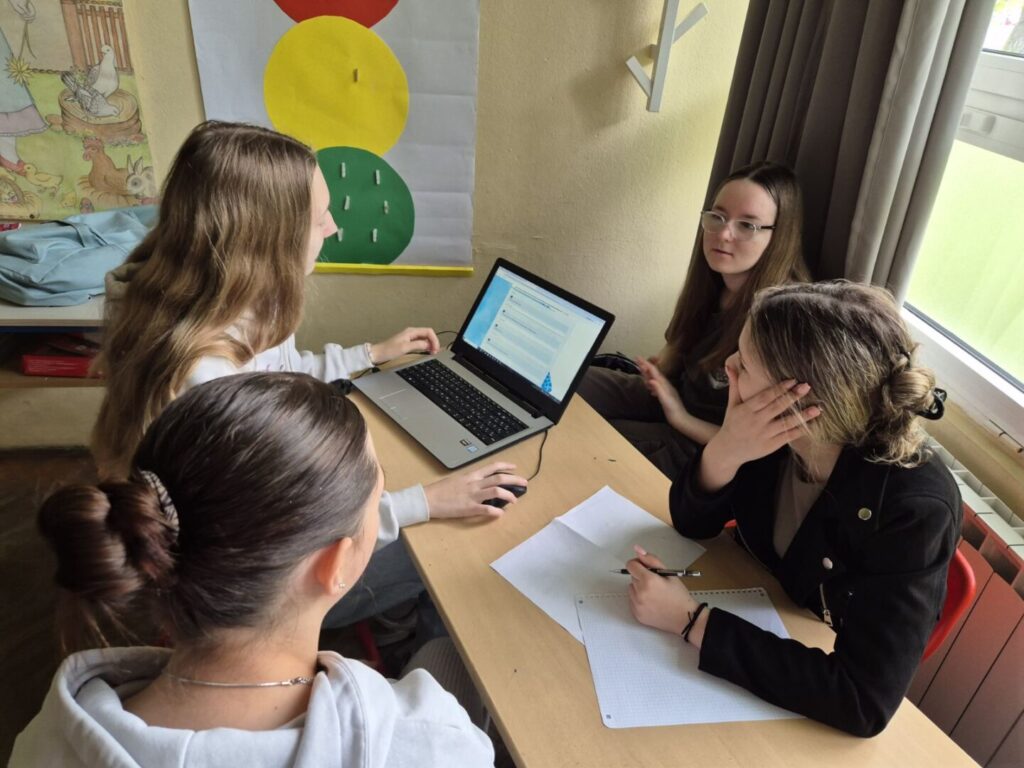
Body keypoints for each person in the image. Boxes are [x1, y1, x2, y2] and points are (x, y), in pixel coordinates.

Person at [90, 120, 526, 629]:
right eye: (319, 219)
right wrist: (424, 503)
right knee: (447, 549)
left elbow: (283, 376)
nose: (333, 229)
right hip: (257, 594)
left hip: (252, 537)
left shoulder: (225, 299)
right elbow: (291, 534)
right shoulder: (207, 387)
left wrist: (368, 353)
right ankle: (399, 633)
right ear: (266, 238)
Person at [11, 373, 494, 767]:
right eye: (378, 497)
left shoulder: (43, 738)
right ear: (334, 563)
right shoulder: (434, 742)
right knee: (442, 653)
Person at [626, 281, 961, 737]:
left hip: (797, 669)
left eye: (745, 364)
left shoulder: (915, 508)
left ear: (802, 401)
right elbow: (690, 523)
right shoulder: (771, 433)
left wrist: (690, 620)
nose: (728, 366)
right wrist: (726, 450)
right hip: (759, 609)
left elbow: (863, 700)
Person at [578, 161, 809, 479]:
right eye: (718, 217)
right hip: (673, 399)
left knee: (584, 440)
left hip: (705, 445)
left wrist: (680, 417)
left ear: (779, 236)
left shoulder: (783, 319)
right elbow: (677, 354)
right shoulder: (713, 283)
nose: (723, 234)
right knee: (566, 386)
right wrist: (661, 370)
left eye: (747, 225)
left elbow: (761, 450)